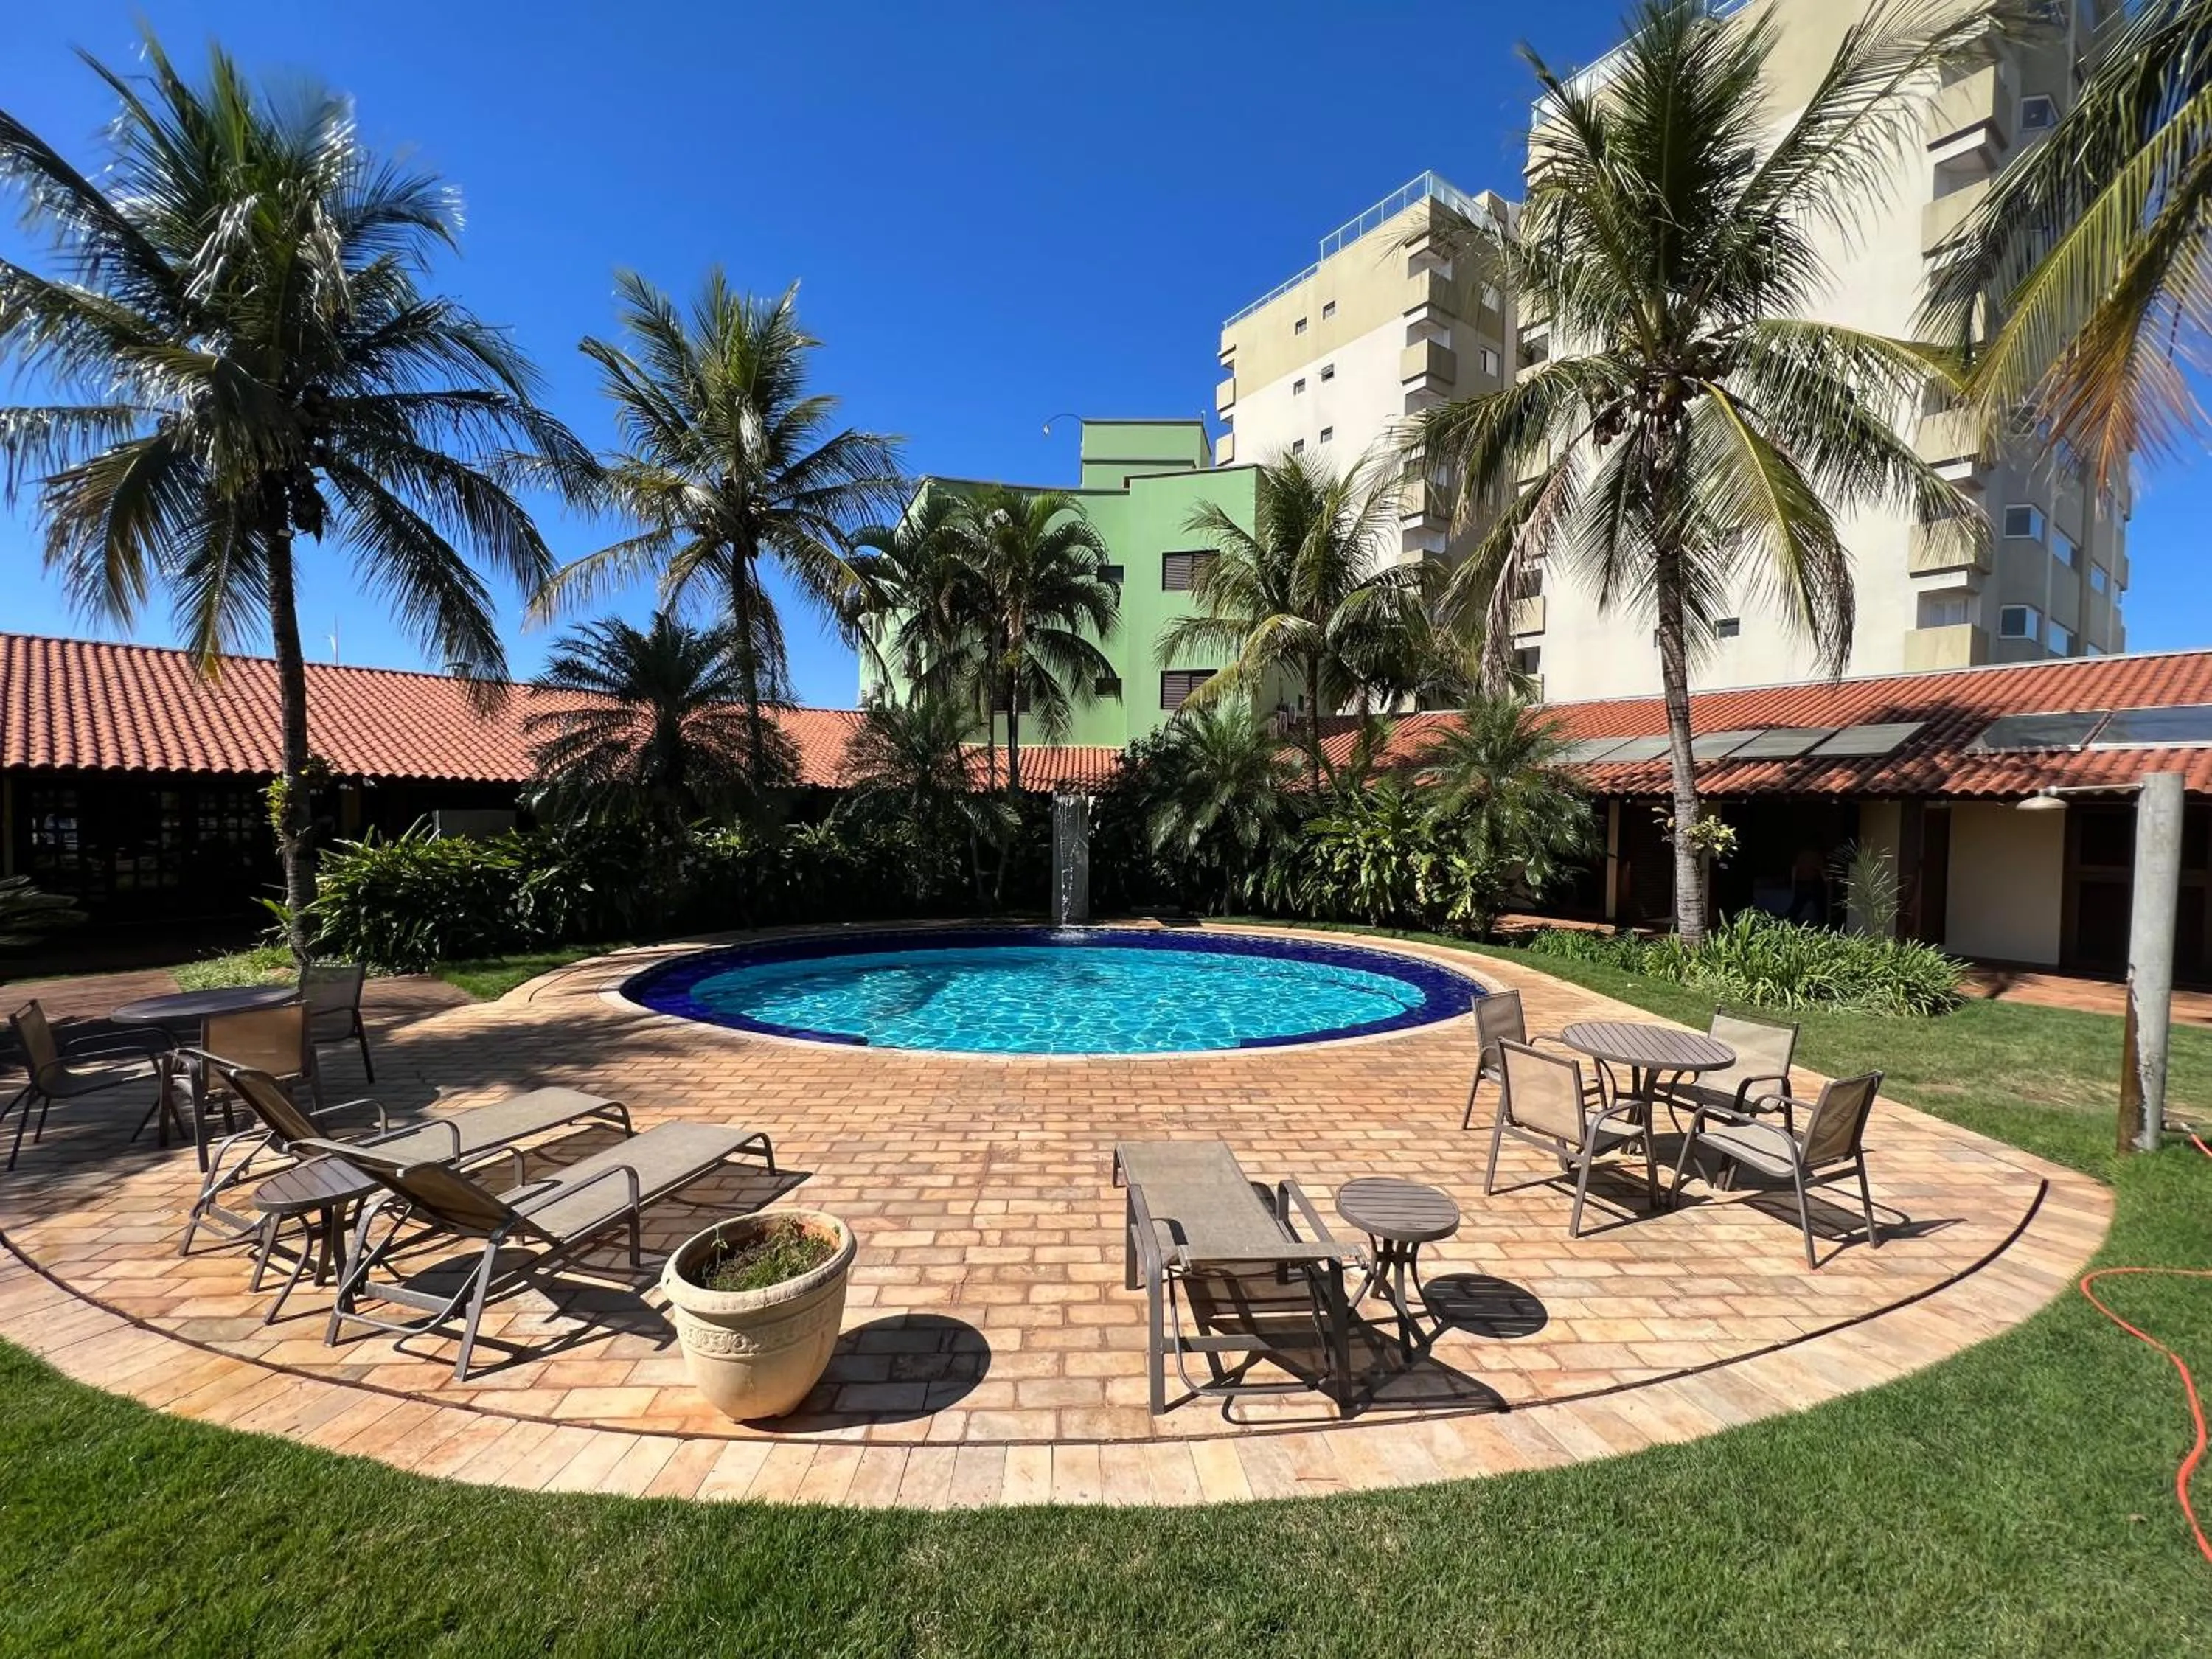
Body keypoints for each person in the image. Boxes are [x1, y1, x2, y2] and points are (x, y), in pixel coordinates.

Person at [1784, 845, 1828, 925]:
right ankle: (1823, 924)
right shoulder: (1816, 855)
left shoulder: (1801, 855)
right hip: (1812, 883)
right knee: (1819, 906)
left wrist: (1793, 883)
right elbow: (1821, 869)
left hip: (1801, 882)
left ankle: (1787, 921)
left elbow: (1794, 868)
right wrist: (1826, 881)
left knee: (1798, 905)